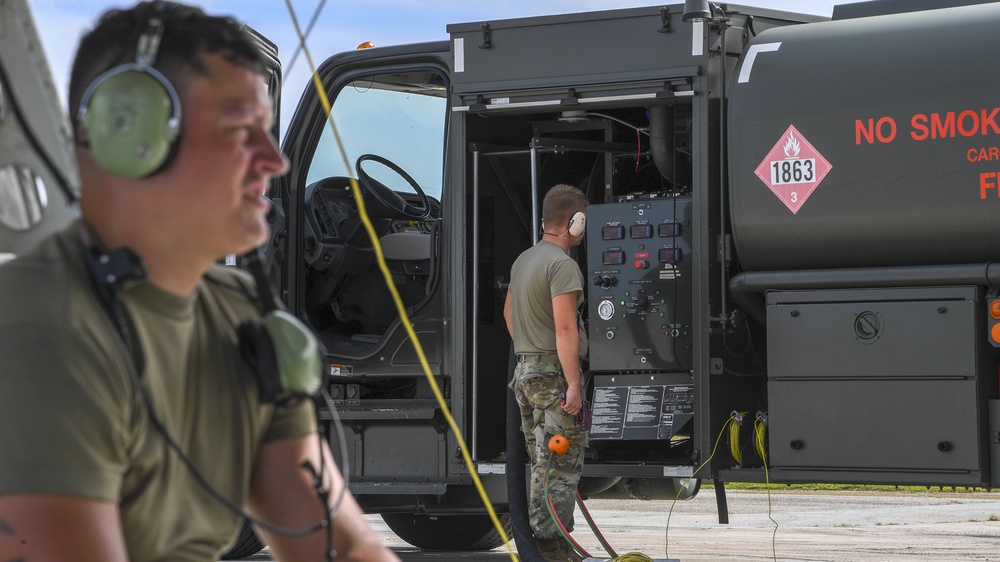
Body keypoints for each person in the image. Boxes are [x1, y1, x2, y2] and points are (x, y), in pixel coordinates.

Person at [0, 2, 400, 561]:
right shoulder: (46, 332)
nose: (272, 160)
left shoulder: (239, 319)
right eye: (240, 129)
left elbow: (335, 542)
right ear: (131, 134)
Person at [503, 184, 589, 562]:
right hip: (552, 376)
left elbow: (509, 314)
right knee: (560, 467)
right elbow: (565, 329)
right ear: (575, 221)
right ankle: (552, 552)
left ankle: (543, 548)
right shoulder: (562, 265)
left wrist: (529, 354)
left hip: (526, 374)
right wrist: (573, 383)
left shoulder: (524, 260)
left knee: (543, 462)